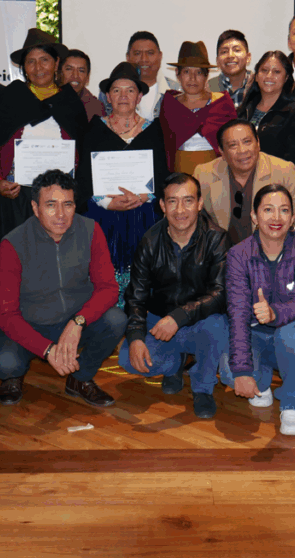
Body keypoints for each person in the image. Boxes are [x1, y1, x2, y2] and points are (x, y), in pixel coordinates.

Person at [0, 169, 125, 408]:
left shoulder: (90, 230)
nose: (61, 214)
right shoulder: (13, 243)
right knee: (4, 364)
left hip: (75, 319)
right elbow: (6, 314)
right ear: (35, 208)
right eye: (51, 205)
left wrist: (78, 322)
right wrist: (47, 349)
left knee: (116, 320)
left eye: (68, 204)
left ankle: (80, 379)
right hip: (30, 323)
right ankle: (15, 375)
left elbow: (108, 288)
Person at [119, 173, 230, 419]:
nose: (180, 210)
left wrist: (179, 317)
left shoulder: (217, 238)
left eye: (188, 201)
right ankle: (174, 364)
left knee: (218, 326)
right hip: (159, 319)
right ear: (162, 205)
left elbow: (220, 293)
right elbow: (135, 296)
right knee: (128, 359)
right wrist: (135, 336)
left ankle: (203, 387)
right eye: (172, 201)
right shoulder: (149, 241)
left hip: (201, 322)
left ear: (199, 203)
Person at [0, 28, 88, 260]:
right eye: (31, 62)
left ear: (56, 63)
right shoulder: (10, 98)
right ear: (23, 66)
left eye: (44, 60)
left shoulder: (70, 102)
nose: (38, 68)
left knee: (57, 261)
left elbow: (82, 154)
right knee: (17, 260)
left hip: (59, 199)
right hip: (16, 196)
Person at [227, 184, 295, 435]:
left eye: (284, 210)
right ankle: (262, 382)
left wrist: (274, 313)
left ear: (292, 218)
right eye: (268, 210)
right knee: (229, 370)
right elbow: (237, 313)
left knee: (291, 332)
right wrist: (242, 371)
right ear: (254, 216)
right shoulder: (238, 254)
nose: (276, 217)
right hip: (255, 334)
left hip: (294, 334)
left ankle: (292, 403)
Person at [77, 62, 169, 305]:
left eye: (130, 90)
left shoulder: (153, 130)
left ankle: (140, 317)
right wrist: (107, 203)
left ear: (139, 97)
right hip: (103, 216)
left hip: (144, 214)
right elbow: (84, 179)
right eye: (116, 90)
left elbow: (162, 176)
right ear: (108, 97)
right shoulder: (94, 129)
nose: (123, 96)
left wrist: (143, 197)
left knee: (144, 278)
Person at [195, 118, 295, 246]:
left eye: (247, 142)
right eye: (233, 145)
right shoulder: (204, 175)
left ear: (258, 143)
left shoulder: (283, 171)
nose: (242, 150)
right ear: (222, 152)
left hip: (274, 252)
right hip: (224, 254)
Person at [238, 50, 295, 187]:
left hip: (277, 188)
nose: (269, 76)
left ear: (286, 78)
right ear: (256, 76)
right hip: (243, 185)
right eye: (264, 70)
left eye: (276, 72)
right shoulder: (244, 110)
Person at [159, 40, 237, 175]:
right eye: (187, 71)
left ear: (207, 75)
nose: (192, 78)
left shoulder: (222, 104)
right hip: (180, 175)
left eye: (199, 72)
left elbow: (233, 142)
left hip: (218, 175)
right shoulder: (170, 104)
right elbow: (165, 147)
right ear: (177, 74)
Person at [99, 31, 180, 119]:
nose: (144, 59)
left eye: (150, 53)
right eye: (137, 53)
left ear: (160, 56)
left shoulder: (176, 91)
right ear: (128, 57)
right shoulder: (109, 91)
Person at [208, 29, 254, 108]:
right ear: (217, 61)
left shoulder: (260, 85)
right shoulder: (207, 89)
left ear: (248, 57)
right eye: (224, 52)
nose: (230, 55)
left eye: (237, 50)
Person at [59, 48, 104, 122]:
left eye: (81, 71)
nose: (75, 75)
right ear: (59, 73)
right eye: (69, 69)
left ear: (87, 77)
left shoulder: (96, 108)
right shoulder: (47, 101)